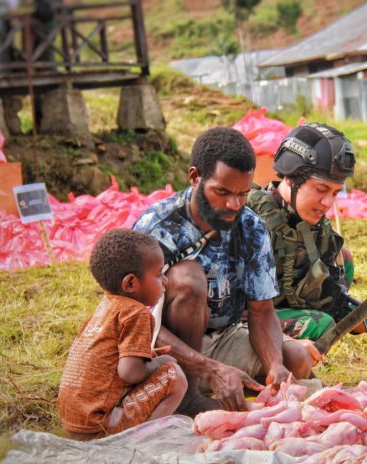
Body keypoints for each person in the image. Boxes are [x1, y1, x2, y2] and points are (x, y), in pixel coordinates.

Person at [133, 127, 311, 416]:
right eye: (222, 192)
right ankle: (188, 395)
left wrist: (275, 364)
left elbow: (262, 311)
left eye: (243, 193)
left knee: (296, 359)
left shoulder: (251, 227)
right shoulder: (158, 228)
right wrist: (212, 369)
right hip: (165, 345)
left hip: (224, 336)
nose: (234, 204)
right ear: (195, 177)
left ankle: (216, 383)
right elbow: (136, 323)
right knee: (188, 278)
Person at [247, 123, 367, 341]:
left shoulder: (316, 228)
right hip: (240, 323)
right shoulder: (251, 222)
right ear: (290, 178)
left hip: (276, 311)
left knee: (344, 260)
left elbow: (334, 303)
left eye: (335, 193)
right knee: (318, 324)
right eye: (321, 190)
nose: (327, 203)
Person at [57, 229, 188, 440]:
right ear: (130, 284)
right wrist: (159, 361)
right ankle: (144, 443)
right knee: (174, 375)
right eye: (158, 274)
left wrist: (147, 356)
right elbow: (130, 373)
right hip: (100, 426)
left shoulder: (105, 308)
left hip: (74, 424)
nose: (166, 281)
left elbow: (109, 361)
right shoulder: (136, 313)